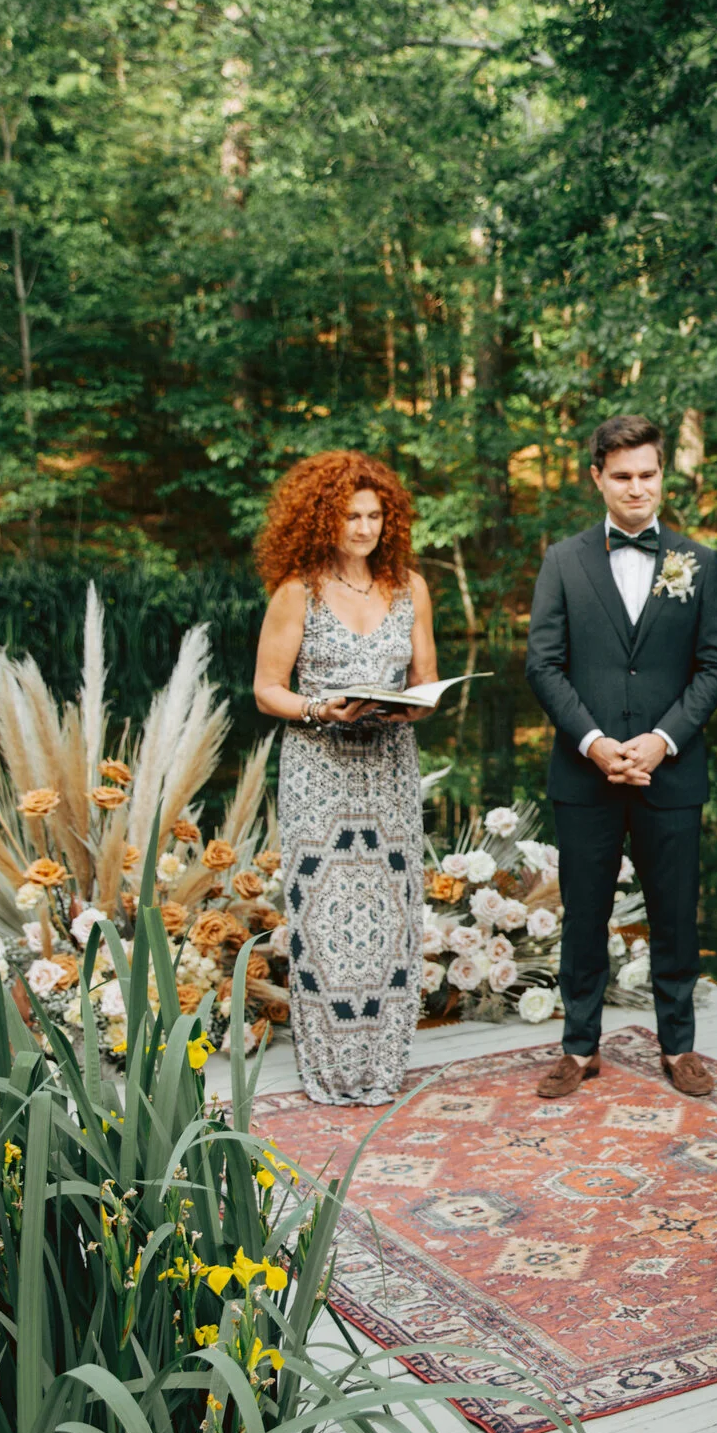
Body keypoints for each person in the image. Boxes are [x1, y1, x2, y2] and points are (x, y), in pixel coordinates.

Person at [524, 413, 717, 1101]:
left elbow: (716, 664)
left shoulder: (698, 561)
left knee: (675, 913)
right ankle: (578, 1046)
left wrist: (661, 739)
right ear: (597, 478)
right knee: (584, 914)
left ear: (661, 474)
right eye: (622, 476)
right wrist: (594, 743)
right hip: (584, 774)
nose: (637, 488)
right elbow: (544, 665)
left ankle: (678, 1046)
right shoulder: (562, 561)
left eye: (647, 474)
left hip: (669, 771)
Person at [251, 451, 437, 1107]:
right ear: (321, 519)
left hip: (387, 765)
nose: (364, 528)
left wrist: (411, 703)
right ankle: (330, 1071)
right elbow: (267, 689)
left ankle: (383, 1067)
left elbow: (426, 684)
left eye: (375, 515)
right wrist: (317, 707)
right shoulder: (295, 591)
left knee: (389, 916)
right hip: (319, 768)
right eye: (351, 515)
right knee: (325, 917)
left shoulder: (409, 587)